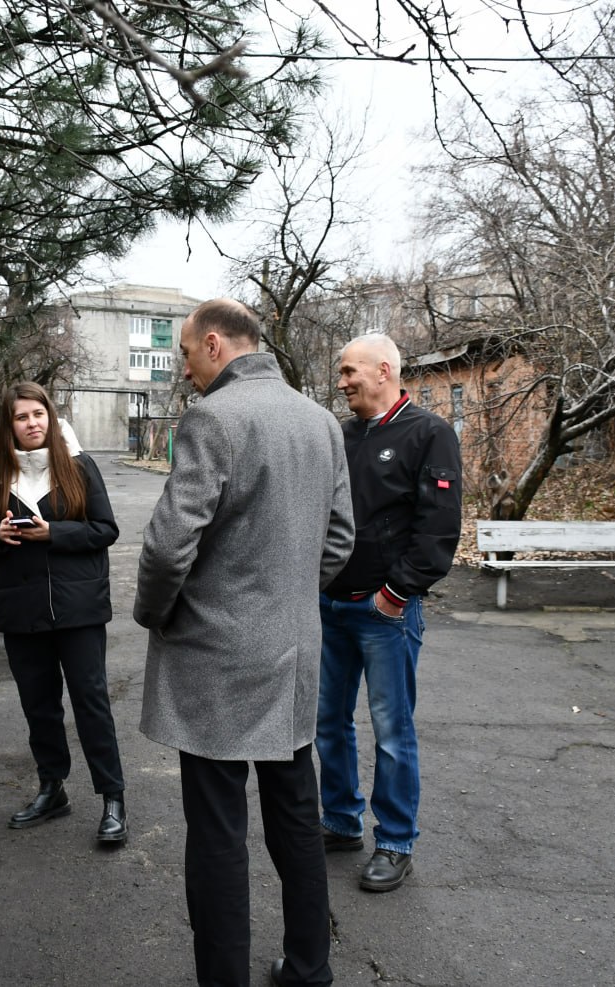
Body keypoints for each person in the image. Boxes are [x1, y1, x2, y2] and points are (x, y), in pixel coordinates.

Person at [135, 299, 354, 987]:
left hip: (217, 663)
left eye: (188, 359)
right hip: (291, 657)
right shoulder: (321, 421)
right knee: (296, 816)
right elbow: (342, 538)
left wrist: (156, 614)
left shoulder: (213, 418)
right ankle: (310, 967)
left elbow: (170, 547)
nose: (188, 373)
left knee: (219, 831)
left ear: (214, 344)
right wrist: (285, 598)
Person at [316, 332, 463, 893]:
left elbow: (438, 529)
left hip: (386, 614)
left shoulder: (429, 433)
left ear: (383, 371)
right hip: (331, 606)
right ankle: (340, 820)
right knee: (329, 723)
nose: (342, 381)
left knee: (392, 731)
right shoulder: (342, 435)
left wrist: (396, 594)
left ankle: (396, 842)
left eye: (349, 371)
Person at [0, 381, 128, 844]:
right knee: (39, 706)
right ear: (10, 426)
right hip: (23, 611)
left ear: (50, 417)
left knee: (91, 703)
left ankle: (113, 797)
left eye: (38, 414)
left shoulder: (78, 467)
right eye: (21, 417)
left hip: (78, 611)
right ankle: (52, 788)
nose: (31, 423)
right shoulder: (0, 477)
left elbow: (105, 530)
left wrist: (52, 533)